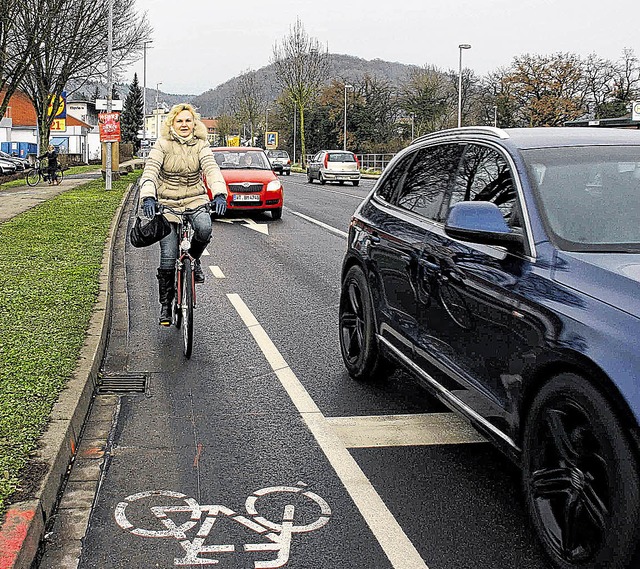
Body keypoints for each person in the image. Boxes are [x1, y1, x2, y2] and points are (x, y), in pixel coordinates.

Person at [139, 103, 228, 326]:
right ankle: (166, 305)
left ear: (194, 123)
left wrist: (219, 193)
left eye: (188, 120)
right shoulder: (162, 144)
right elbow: (151, 170)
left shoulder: (201, 145)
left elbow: (211, 169)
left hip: (195, 198)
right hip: (167, 201)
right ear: (172, 123)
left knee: (205, 228)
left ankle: (194, 259)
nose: (184, 124)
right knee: (168, 255)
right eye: (180, 121)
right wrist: (149, 196)